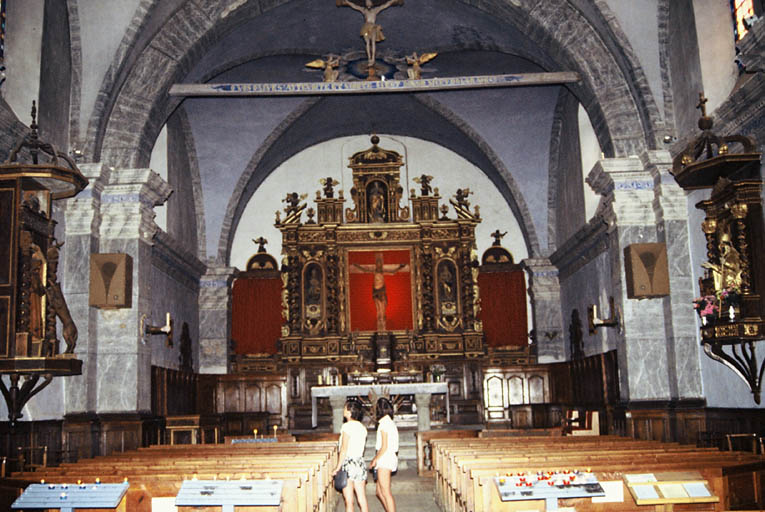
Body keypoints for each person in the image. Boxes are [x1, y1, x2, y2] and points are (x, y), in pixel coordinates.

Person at [336, 0, 404, 67]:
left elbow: (385, 5)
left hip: (373, 28)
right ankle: (369, 58)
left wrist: (392, 1)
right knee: (368, 43)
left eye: (369, 2)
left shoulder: (375, 10)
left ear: (372, 3)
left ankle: (373, 59)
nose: (368, 4)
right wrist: (347, 2)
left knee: (373, 43)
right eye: (366, 3)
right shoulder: (364, 10)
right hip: (365, 29)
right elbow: (355, 6)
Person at [353, 253, 407, 331]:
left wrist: (400, 267)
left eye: (379, 263)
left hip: (381, 290)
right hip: (375, 291)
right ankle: (380, 320)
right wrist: (357, 266)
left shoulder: (382, 271)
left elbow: (392, 272)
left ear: (381, 264)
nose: (378, 264)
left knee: (382, 306)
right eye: (377, 263)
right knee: (378, 307)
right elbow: (364, 270)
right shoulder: (374, 271)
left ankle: (383, 319)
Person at [332, 399, 370, 512]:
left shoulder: (347, 427)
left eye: (345, 408)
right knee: (362, 498)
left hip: (348, 464)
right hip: (359, 463)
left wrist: (337, 468)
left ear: (349, 412)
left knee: (349, 502)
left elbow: (344, 449)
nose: (343, 410)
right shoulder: (362, 428)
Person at [369, 397, 398, 512]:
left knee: (385, 492)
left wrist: (375, 459)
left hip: (385, 458)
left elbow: (384, 446)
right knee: (379, 492)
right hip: (386, 457)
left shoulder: (384, 423)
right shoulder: (389, 422)